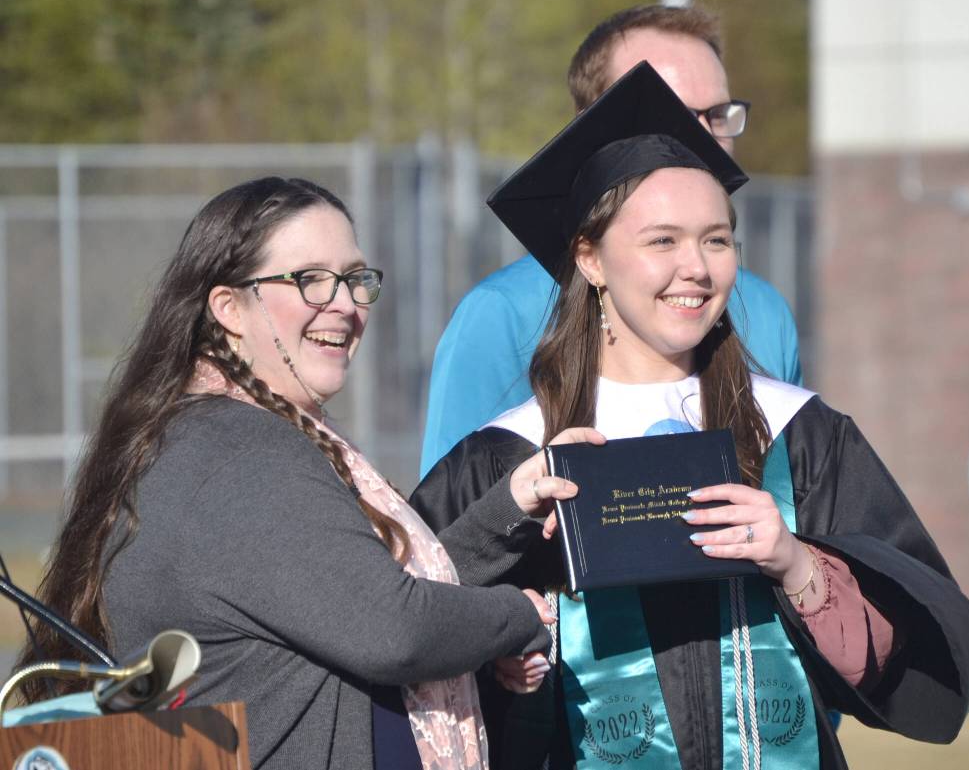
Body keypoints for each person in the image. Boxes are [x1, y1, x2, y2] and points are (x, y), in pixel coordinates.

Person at [412, 64, 969, 769]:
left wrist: (797, 563)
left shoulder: (797, 434)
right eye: (662, 240)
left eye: (716, 240)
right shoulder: (510, 458)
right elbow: (406, 629)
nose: (695, 266)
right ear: (590, 259)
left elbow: (905, 640)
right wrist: (505, 651)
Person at [16, 177, 600, 770]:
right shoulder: (235, 453)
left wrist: (508, 509)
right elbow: (396, 631)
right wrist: (524, 614)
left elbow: (354, 600)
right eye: (310, 279)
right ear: (228, 308)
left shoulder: (230, 433)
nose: (343, 303)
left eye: (353, 278)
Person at [420, 3, 802, 479]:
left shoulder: (763, 311)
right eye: (677, 113)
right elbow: (452, 523)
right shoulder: (502, 314)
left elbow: (793, 499)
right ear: (591, 127)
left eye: (719, 115)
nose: (704, 139)